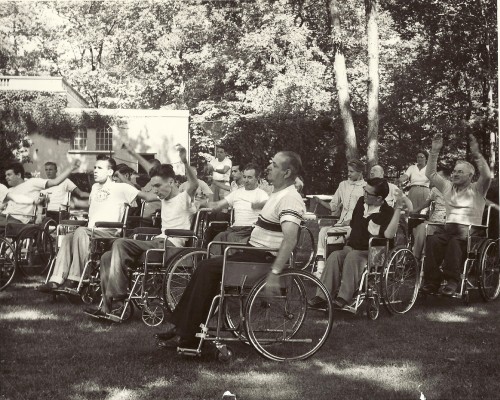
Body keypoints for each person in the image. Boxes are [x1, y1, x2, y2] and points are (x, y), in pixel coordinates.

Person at [155, 151, 306, 348]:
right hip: (254, 253)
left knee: (207, 268)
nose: (269, 166)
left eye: (275, 165)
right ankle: (184, 329)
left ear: (286, 173)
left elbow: (290, 239)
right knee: (206, 268)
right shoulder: (277, 195)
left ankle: (186, 332)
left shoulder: (290, 199)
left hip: (263, 259)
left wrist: (275, 272)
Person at [84, 145, 198, 316]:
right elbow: (146, 182)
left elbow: (194, 183)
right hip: (159, 241)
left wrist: (184, 161)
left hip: (171, 245)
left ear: (172, 182)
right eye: (154, 187)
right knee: (107, 256)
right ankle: (106, 307)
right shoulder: (163, 198)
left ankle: (120, 297)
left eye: (158, 186)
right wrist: (129, 161)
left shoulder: (184, 198)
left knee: (120, 243)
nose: (156, 191)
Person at [37, 155, 159, 292]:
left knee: (81, 232)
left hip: (109, 231)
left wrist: (171, 195)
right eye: (95, 167)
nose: (95, 170)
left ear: (110, 172)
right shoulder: (95, 187)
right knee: (67, 237)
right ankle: (56, 279)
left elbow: (148, 197)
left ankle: (76, 279)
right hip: (91, 230)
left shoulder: (122, 187)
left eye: (100, 168)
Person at [309, 178, 403, 309]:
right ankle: (322, 296)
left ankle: (344, 297)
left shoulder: (386, 212)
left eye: (368, 193)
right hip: (352, 248)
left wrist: (398, 208)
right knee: (335, 256)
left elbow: (388, 235)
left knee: (353, 257)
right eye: (364, 190)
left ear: (379, 198)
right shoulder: (361, 202)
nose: (364, 194)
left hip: (373, 253)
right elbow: (354, 225)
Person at [421, 133, 492, 296]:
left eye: (460, 172)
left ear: (470, 176)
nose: (455, 174)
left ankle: (452, 281)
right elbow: (430, 174)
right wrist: (434, 151)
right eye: (454, 171)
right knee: (432, 240)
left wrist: (477, 155)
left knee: (454, 241)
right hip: (449, 229)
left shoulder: (478, 189)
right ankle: (432, 281)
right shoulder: (447, 187)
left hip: (470, 232)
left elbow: (487, 175)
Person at [312, 160, 366, 278]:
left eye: (351, 171)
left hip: (355, 225)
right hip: (341, 224)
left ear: (360, 172)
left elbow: (366, 210)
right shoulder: (343, 185)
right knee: (323, 232)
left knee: (331, 236)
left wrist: (352, 221)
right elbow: (334, 206)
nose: (349, 174)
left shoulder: (365, 187)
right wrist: (320, 201)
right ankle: (320, 268)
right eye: (348, 171)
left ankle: (332, 270)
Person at [206, 163, 269, 254]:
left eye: (250, 177)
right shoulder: (237, 193)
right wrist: (203, 204)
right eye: (244, 177)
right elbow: (218, 205)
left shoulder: (261, 193)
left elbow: (268, 203)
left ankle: (231, 264)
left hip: (250, 228)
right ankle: (216, 265)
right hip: (234, 228)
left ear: (257, 178)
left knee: (232, 238)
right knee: (218, 238)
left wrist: (258, 205)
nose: (246, 180)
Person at [1, 160, 81, 226]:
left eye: (9, 175)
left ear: (18, 175)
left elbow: (55, 182)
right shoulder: (10, 190)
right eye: (5, 175)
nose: (6, 177)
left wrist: (70, 168)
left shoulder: (32, 182)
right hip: (6, 217)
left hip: (18, 220)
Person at [411, 168, 448, 261]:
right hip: (434, 221)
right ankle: (416, 258)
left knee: (423, 227)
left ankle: (420, 258)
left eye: (439, 177)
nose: (437, 179)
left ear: (447, 178)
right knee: (419, 227)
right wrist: (415, 210)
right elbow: (427, 203)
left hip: (447, 222)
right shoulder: (435, 190)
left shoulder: (454, 189)